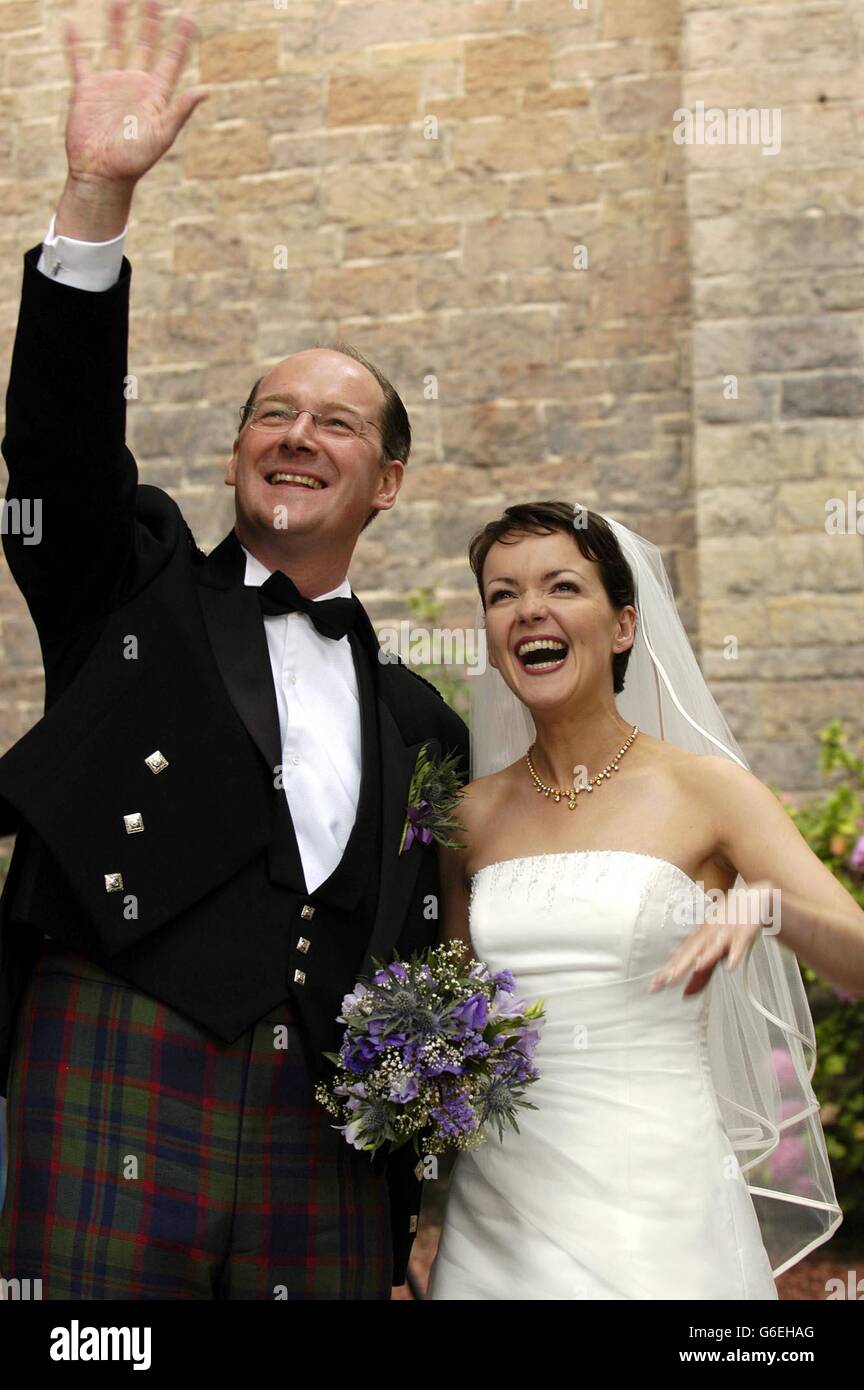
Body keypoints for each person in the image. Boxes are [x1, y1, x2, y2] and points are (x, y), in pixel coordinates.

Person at [0, 0, 467, 1300]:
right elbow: (53, 454)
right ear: (238, 452)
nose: (298, 433)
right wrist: (97, 197)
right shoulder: (129, 584)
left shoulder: (422, 718)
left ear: (386, 481)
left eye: (336, 421)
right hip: (116, 1052)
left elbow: (423, 944)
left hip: (324, 1127)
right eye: (274, 412)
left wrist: (422, 1187)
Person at [428, 501, 864, 1301]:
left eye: (562, 586)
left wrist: (768, 908)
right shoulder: (469, 818)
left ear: (625, 625)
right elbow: (457, 1029)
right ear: (491, 640)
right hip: (498, 1221)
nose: (530, 611)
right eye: (502, 595)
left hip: (660, 1214)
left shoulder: (708, 791)